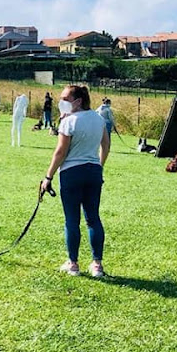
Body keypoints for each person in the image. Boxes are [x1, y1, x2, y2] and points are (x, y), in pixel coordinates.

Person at [41, 85, 110, 278]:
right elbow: (106, 144)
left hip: (72, 172)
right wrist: (99, 164)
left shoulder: (69, 122)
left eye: (65, 98)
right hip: (93, 171)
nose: (61, 102)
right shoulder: (99, 118)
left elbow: (61, 152)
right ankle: (97, 264)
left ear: (78, 101)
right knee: (93, 218)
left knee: (72, 219)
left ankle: (73, 263)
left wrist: (48, 177)